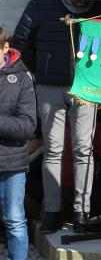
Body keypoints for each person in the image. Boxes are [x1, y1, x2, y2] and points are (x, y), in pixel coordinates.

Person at [12, 0, 101, 234]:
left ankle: (82, 212)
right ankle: (52, 211)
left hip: (86, 87)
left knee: (84, 150)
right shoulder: (40, 4)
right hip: (50, 86)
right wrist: (42, 70)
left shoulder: (100, 7)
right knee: (53, 150)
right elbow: (22, 43)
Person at [0, 28, 37, 260]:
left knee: (14, 220)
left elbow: (27, 126)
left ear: (5, 48)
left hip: (11, 163)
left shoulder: (22, 78)